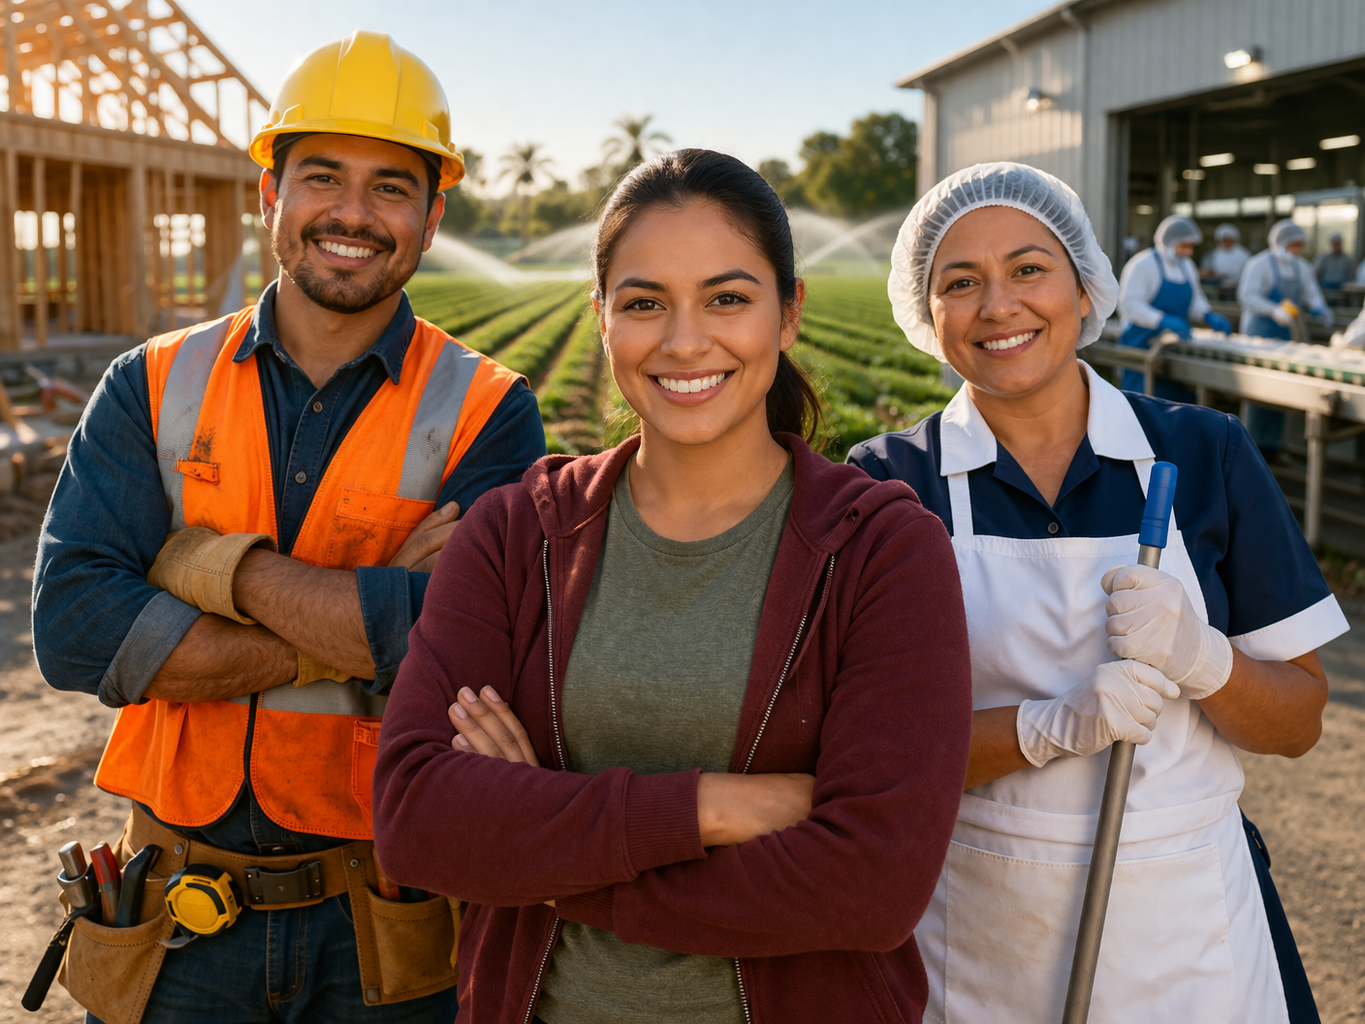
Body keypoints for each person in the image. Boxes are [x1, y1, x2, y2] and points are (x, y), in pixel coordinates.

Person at [372, 149, 974, 1024]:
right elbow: (420, 820)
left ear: (788, 314)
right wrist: (709, 807)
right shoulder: (515, 535)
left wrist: (547, 859)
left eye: (727, 299)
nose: (684, 340)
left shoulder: (880, 551)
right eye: (644, 303)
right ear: (602, 318)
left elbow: (872, 886)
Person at [31, 31, 546, 1023]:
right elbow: (77, 629)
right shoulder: (149, 382)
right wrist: (373, 618)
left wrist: (205, 567)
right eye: (322, 177)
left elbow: (484, 644)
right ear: (270, 193)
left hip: (385, 930)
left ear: (433, 216)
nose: (353, 214)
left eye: (392, 187)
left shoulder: (489, 407)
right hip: (175, 928)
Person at [850, 161, 1348, 1024]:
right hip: (978, 933)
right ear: (927, 318)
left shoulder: (1203, 454)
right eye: (959, 282)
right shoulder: (892, 484)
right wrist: (1045, 728)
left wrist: (1203, 659)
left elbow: (1298, 723)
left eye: (1029, 269)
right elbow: (870, 762)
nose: (998, 305)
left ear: (1085, 289)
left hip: (1188, 927)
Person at [1239, 219, 1332, 454]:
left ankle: (1272, 447)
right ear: (1280, 243)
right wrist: (1273, 310)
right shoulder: (1260, 264)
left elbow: (1311, 293)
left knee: (1280, 393)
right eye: (1293, 245)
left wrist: (1320, 307)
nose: (1297, 250)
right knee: (1258, 392)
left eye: (1299, 245)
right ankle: (1251, 447)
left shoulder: (1303, 267)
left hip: (1287, 338)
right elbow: (1247, 295)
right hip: (1260, 336)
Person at [1117, 214, 1232, 399]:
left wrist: (1208, 315)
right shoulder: (1143, 264)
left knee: (1172, 404)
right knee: (1140, 404)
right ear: (1168, 242)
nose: (1188, 252)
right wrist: (1161, 320)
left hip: (1174, 348)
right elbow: (1129, 304)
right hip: (1141, 345)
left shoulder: (1187, 267)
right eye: (1184, 246)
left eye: (1191, 246)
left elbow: (1195, 299)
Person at [1200, 222, 1251, 287]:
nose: (1226, 242)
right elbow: (1209, 270)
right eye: (1223, 240)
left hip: (1238, 287)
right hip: (1218, 287)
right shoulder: (1214, 254)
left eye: (1228, 240)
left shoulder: (1244, 254)